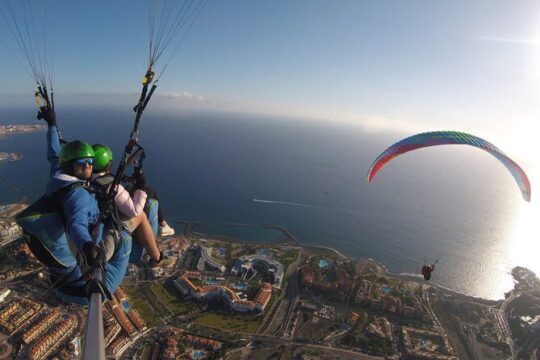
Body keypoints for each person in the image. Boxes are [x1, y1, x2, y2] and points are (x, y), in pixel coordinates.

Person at [18, 107, 131, 304]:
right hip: (87, 285)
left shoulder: (58, 176)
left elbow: (54, 153)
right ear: (71, 166)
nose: (88, 167)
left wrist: (52, 125)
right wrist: (87, 247)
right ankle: (150, 259)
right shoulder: (78, 194)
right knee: (127, 235)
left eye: (90, 162)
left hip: (64, 282)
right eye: (82, 163)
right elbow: (76, 224)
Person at [90, 144, 173, 271]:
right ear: (108, 165)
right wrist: (141, 185)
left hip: (96, 230)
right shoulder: (110, 187)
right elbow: (135, 210)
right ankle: (156, 258)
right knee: (141, 215)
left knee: (149, 192)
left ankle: (162, 227)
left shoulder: (85, 181)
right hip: (106, 239)